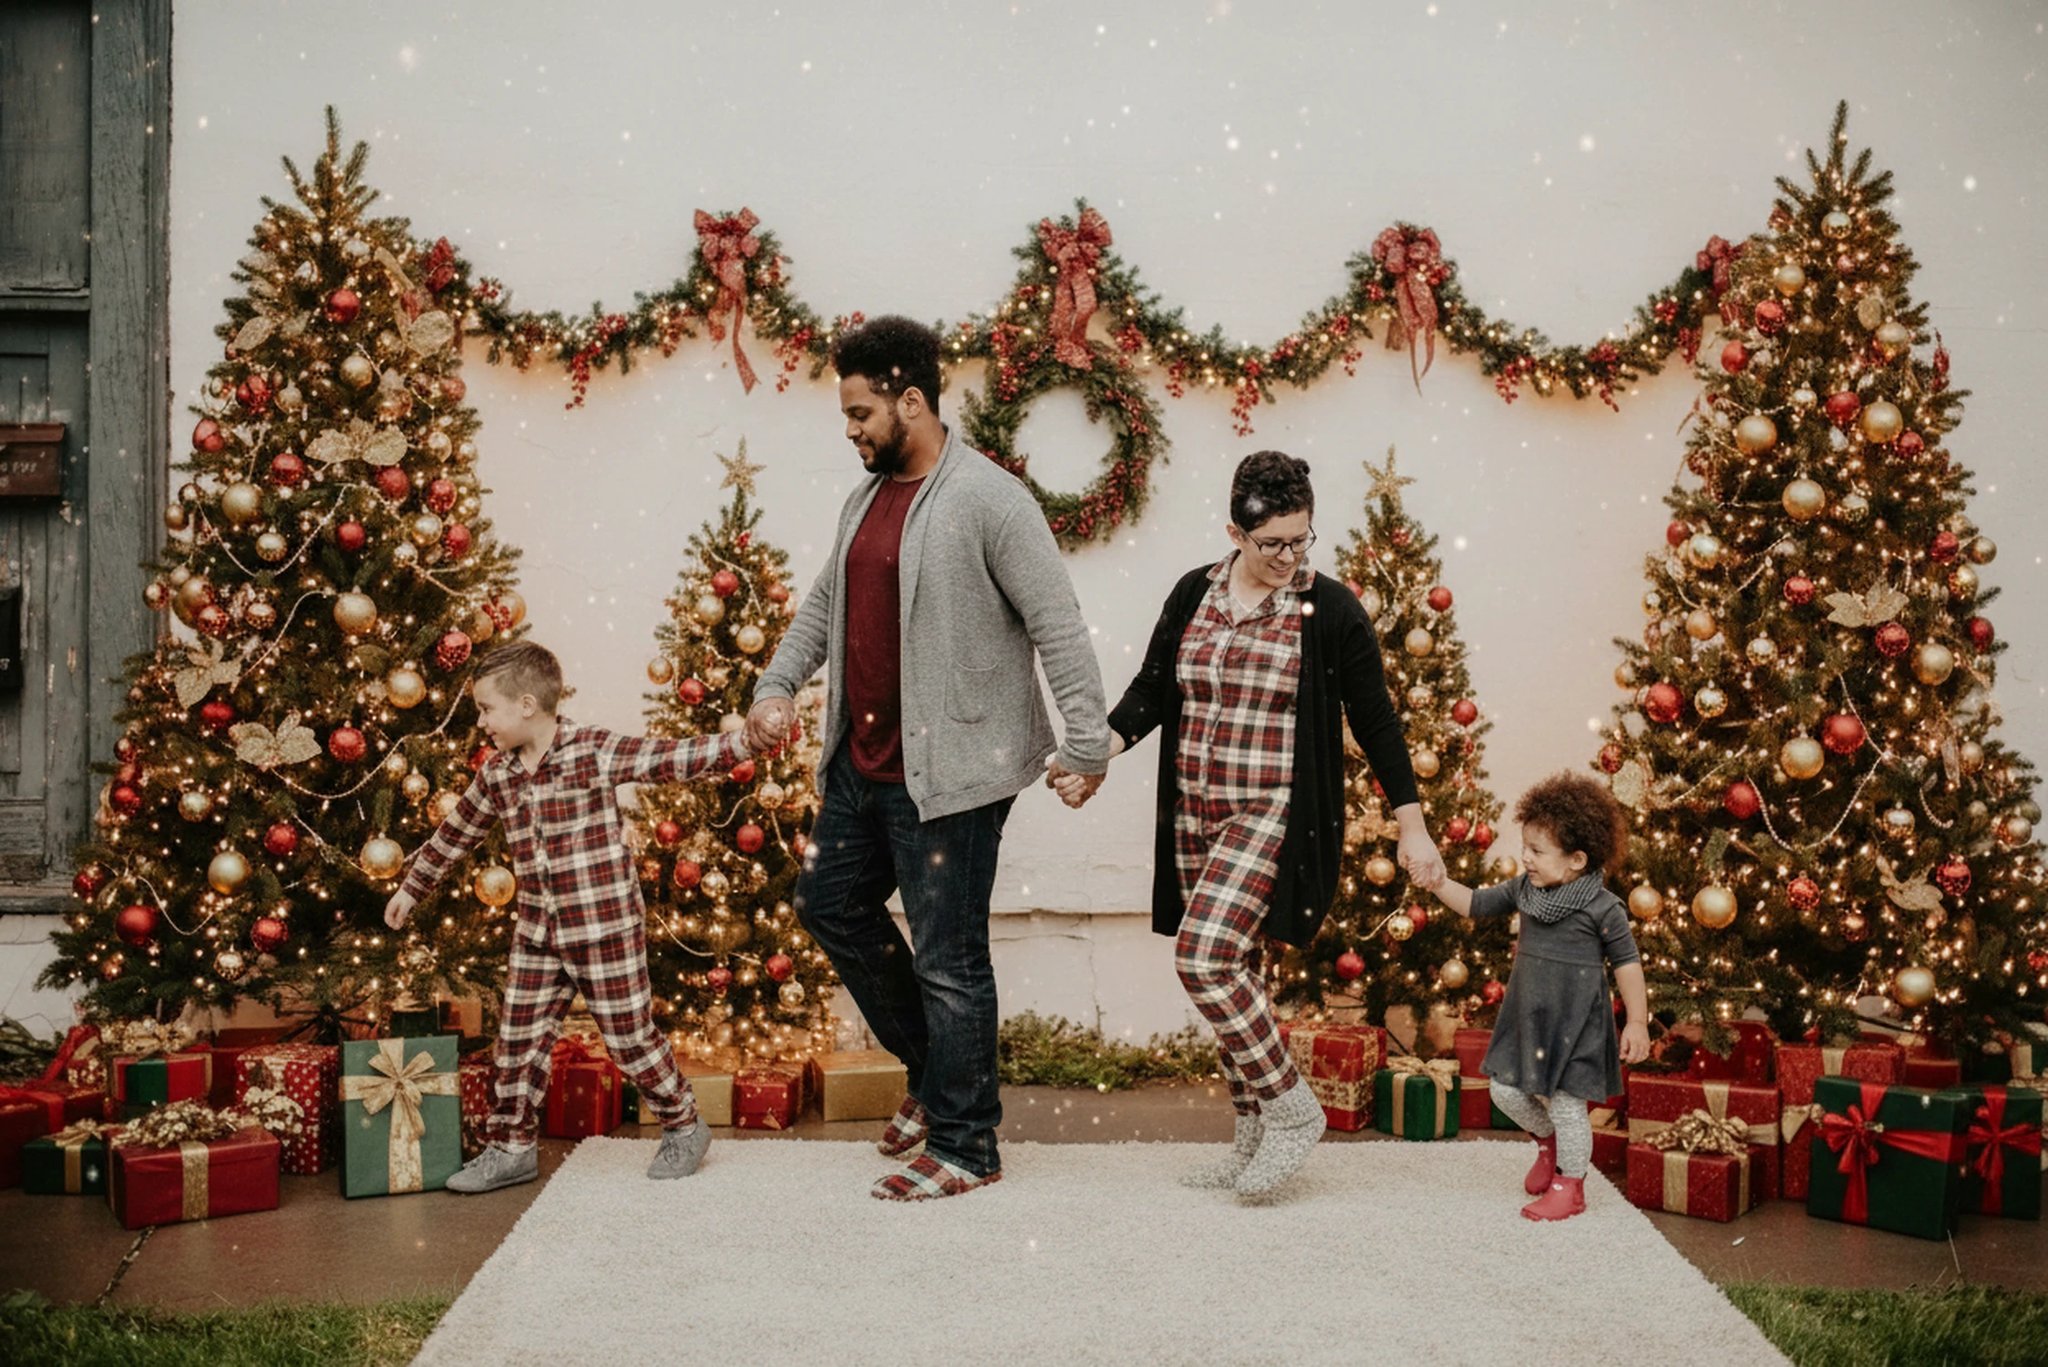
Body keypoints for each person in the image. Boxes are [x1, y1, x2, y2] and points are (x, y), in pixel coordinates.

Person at [746, 315, 1111, 1201]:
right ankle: (934, 1073)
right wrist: (778, 683)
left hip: (954, 774)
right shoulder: (865, 498)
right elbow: (825, 600)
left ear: (913, 399)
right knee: (828, 905)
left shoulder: (991, 499)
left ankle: (966, 1142)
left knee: (950, 957)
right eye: (848, 414)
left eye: (863, 411)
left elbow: (1056, 623)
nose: (852, 429)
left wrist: (1087, 741)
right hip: (859, 765)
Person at [1055, 451, 1445, 1198]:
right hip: (1196, 813)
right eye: (1274, 544)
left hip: (1273, 816)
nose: (1290, 558)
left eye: (1302, 540)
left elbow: (1377, 722)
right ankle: (1251, 1134)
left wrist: (1412, 824)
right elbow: (1151, 692)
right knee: (1242, 972)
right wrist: (1092, 754)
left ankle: (1295, 1112)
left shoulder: (1327, 610)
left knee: (1204, 961)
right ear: (1235, 531)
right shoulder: (1192, 594)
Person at [384, 640, 748, 1191]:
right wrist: (413, 887)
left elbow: (666, 758)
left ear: (527, 704)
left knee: (628, 1037)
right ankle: (511, 1147)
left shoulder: (591, 750)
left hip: (603, 928)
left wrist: (738, 743)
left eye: (487, 709)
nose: (481, 721)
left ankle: (683, 1124)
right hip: (537, 930)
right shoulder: (498, 774)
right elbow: (456, 832)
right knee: (518, 1041)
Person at [1418, 771, 1649, 1221]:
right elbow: (1474, 904)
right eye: (1524, 846)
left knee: (1566, 1105)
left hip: (1577, 1024)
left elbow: (1628, 965)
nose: (1525, 857)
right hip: (1529, 1016)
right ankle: (1548, 1144)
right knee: (1504, 1091)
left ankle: (1571, 1184)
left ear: (1577, 860)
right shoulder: (1524, 890)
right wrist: (1437, 883)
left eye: (1537, 851)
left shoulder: (1603, 908)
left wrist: (1637, 1021)